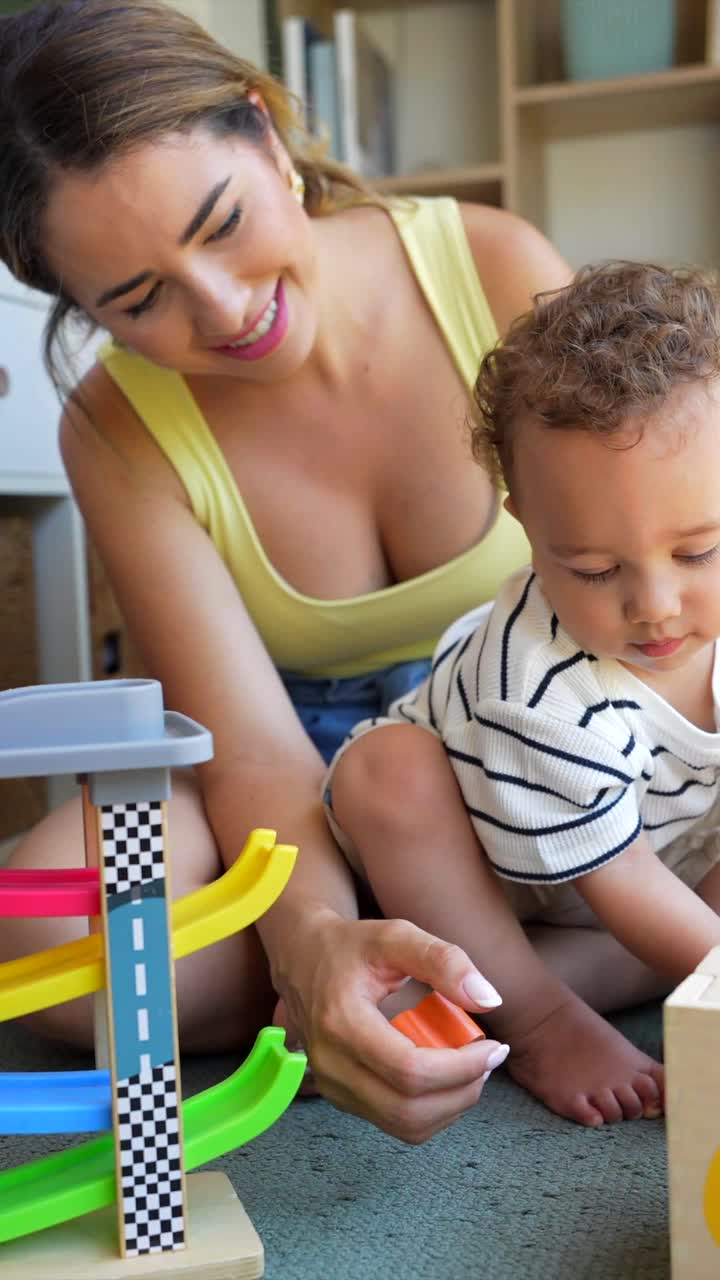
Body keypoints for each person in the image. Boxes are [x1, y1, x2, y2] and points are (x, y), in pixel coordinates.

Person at [0, 0, 572, 1143]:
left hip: (536, 735)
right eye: (140, 299)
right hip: (296, 779)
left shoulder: (495, 267)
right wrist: (308, 935)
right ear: (84, 307)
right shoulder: (116, 426)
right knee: (46, 933)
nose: (223, 308)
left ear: (265, 131)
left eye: (221, 223)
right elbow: (253, 747)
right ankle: (424, 966)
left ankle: (498, 973)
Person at [326, 259, 720, 1128]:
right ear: (528, 527)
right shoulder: (534, 684)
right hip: (470, 884)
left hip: (620, 891)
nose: (655, 606)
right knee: (384, 771)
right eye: (595, 569)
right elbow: (622, 882)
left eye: (699, 553)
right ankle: (540, 1022)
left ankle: (459, 1003)